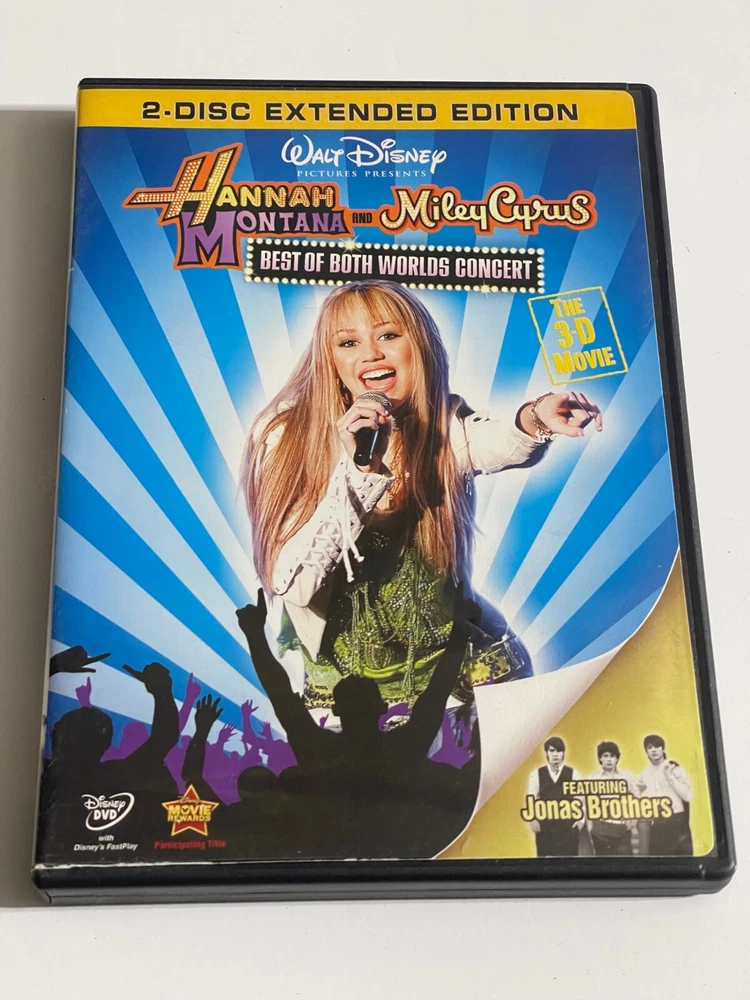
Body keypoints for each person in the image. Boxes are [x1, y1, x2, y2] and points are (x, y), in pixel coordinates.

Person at [243, 280, 603, 712]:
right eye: (349, 343)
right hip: (349, 697)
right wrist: (361, 472)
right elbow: (295, 585)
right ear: (330, 361)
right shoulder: (287, 437)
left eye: (388, 335)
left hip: (464, 681)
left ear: (419, 346)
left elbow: (497, 441)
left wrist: (536, 417)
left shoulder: (443, 426)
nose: (371, 354)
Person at [526, 737, 585, 857]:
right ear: (547, 753)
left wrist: (579, 823)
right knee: (546, 864)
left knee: (569, 863)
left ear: (563, 753)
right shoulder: (536, 774)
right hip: (545, 828)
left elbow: (581, 801)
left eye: (559, 750)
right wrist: (532, 820)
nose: (555, 754)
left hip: (568, 828)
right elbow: (531, 798)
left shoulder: (574, 774)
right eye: (552, 751)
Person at [637, 734, 693, 855]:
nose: (654, 750)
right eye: (650, 747)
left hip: (677, 821)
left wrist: (670, 777)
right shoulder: (645, 773)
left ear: (663, 749)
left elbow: (687, 796)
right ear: (646, 751)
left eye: (657, 746)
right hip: (657, 822)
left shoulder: (675, 768)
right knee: (657, 860)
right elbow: (635, 791)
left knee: (680, 860)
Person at [586, 741, 637, 856]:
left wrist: (634, 820)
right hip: (601, 828)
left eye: (612, 756)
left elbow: (637, 799)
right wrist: (591, 829)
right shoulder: (593, 778)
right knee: (604, 864)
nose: (609, 759)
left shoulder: (627, 777)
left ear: (617, 758)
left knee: (626, 863)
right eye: (605, 756)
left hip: (622, 827)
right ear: (600, 758)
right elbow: (589, 805)